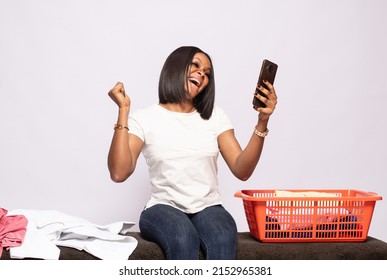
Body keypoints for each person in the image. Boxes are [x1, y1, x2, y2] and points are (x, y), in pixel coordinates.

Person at [107, 46, 277, 260]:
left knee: (223, 236)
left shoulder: (216, 117)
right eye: (196, 66)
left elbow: (241, 170)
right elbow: (119, 172)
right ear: (176, 67)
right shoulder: (145, 118)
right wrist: (123, 110)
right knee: (182, 236)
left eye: (207, 73)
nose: (201, 74)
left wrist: (263, 121)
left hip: (208, 207)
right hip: (162, 207)